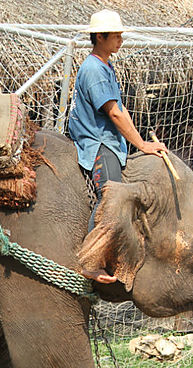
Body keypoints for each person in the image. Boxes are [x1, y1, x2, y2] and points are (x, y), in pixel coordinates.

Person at [67, 10, 167, 283]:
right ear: (100, 37)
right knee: (111, 198)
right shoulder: (95, 69)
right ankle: (90, 262)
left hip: (111, 141)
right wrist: (143, 146)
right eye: (117, 35)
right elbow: (114, 114)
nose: (121, 39)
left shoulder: (105, 66)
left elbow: (121, 111)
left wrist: (137, 142)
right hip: (97, 142)